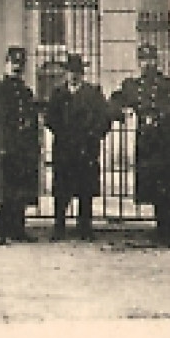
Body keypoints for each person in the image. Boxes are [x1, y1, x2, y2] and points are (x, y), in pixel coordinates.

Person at [112, 43, 170, 243]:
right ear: (138, 63)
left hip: (166, 145)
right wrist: (120, 112)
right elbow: (115, 100)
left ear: (157, 61)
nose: (146, 64)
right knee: (154, 188)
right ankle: (161, 228)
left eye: (150, 60)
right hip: (147, 145)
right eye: (142, 60)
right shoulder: (133, 86)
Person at [44, 53, 114, 241]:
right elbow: (50, 119)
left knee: (85, 189)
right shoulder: (58, 94)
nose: (74, 75)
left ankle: (85, 227)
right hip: (65, 148)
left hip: (87, 148)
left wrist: (92, 135)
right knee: (61, 190)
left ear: (82, 74)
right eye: (70, 72)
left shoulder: (93, 93)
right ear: (65, 73)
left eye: (77, 72)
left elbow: (104, 119)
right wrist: (63, 133)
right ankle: (59, 227)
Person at [0, 46, 40, 244]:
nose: (17, 67)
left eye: (20, 65)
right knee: (5, 191)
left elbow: (31, 118)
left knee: (21, 190)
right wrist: (2, 143)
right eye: (13, 63)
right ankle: (1, 231)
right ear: (6, 64)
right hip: (7, 146)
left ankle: (18, 228)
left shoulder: (25, 92)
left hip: (23, 147)